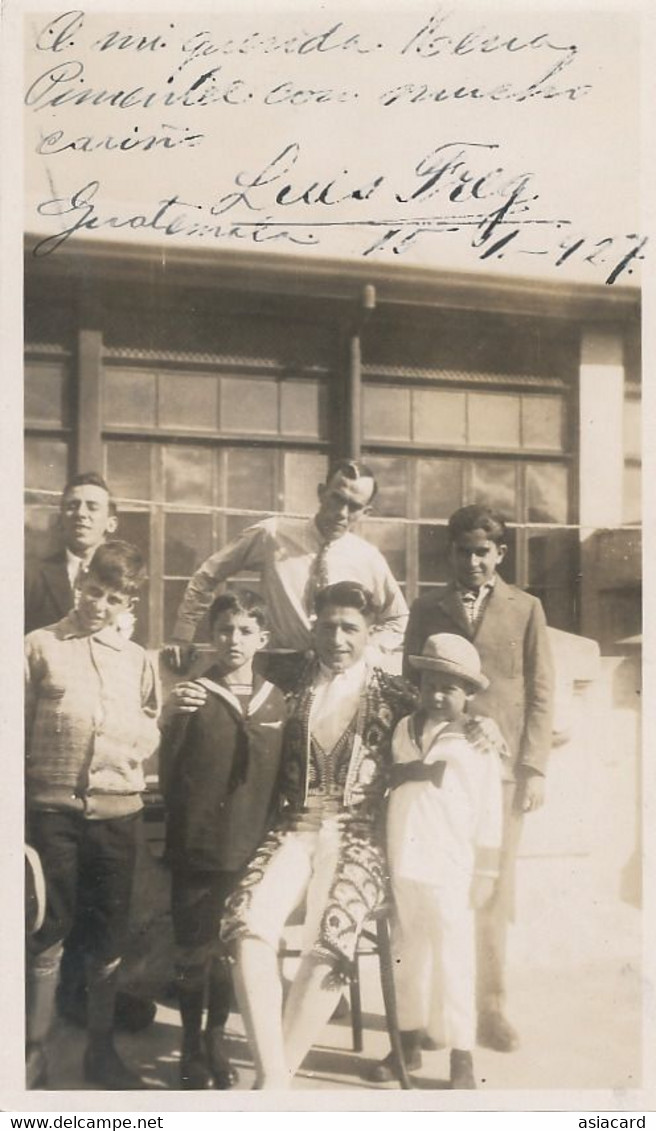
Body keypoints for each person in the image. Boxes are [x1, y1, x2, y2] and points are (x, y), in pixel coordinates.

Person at [219, 581, 417, 1088]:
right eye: (327, 625)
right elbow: (231, 677)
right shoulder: (287, 679)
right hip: (294, 828)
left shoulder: (397, 693)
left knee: (330, 935)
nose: (337, 637)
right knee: (247, 924)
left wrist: (485, 728)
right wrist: (196, 687)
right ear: (313, 627)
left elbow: (452, 718)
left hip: (357, 835)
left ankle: (273, 1080)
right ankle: (275, 1077)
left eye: (350, 627)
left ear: (370, 631)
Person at [403, 505, 555, 1053]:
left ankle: (490, 1007)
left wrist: (533, 766)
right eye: (463, 551)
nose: (472, 561)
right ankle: (436, 1012)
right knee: (433, 887)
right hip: (441, 771)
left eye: (482, 552)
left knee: (491, 888)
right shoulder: (426, 608)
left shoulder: (526, 608)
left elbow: (540, 690)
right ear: (450, 553)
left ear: (500, 555)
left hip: (503, 775)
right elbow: (409, 686)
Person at [24, 542, 159, 1089]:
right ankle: (35, 1054)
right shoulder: (37, 647)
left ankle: (100, 1052)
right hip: (51, 813)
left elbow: (150, 723)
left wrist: (135, 744)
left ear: (129, 602)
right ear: (80, 585)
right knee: (47, 929)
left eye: (114, 598)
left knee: (108, 933)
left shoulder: (137, 659)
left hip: (118, 816)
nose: (99, 604)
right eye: (94, 591)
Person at [158, 591, 287, 1091]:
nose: (234, 640)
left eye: (246, 631)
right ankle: (191, 1044)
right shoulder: (192, 696)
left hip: (251, 850)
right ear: (212, 635)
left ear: (263, 639)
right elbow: (170, 773)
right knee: (194, 949)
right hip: (198, 846)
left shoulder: (276, 700)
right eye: (226, 630)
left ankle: (215, 1039)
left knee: (233, 950)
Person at [371, 634, 503, 1089]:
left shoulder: (475, 738)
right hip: (405, 860)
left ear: (469, 694)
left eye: (451, 686)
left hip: (452, 866)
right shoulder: (403, 728)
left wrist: (486, 869)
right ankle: (406, 1041)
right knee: (408, 953)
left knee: (454, 958)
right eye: (430, 683)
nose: (438, 694)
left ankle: (462, 1055)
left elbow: (490, 809)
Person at [169, 460, 409, 684]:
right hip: (277, 670)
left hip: (338, 677)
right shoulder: (273, 535)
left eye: (354, 506)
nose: (342, 513)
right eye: (337, 499)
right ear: (321, 492)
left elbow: (398, 617)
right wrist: (183, 634)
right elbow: (208, 575)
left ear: (366, 512)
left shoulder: (368, 557)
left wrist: (367, 653)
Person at [25, 472, 118, 636]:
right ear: (60, 521)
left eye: (92, 507)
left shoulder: (126, 577)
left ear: (111, 524)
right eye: (72, 506)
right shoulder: (30, 576)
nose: (81, 514)